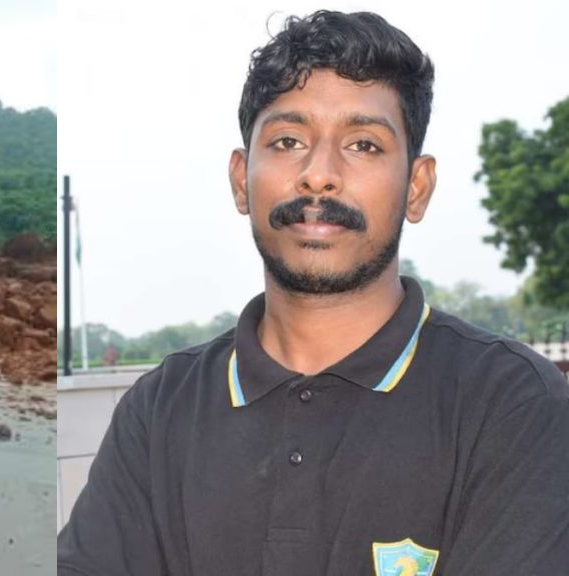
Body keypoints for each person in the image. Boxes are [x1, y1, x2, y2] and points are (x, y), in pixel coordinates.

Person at [57, 10, 569, 576]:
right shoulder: (159, 412)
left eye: (364, 146)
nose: (319, 175)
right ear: (240, 179)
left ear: (417, 188)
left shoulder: (513, 406)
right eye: (288, 140)